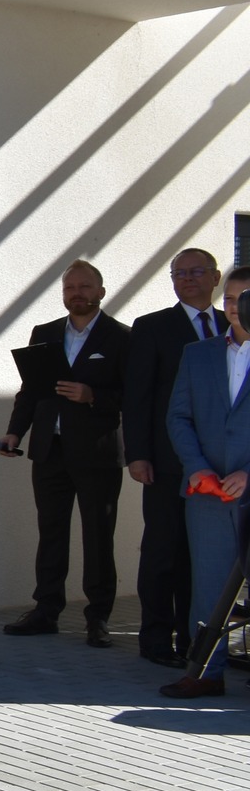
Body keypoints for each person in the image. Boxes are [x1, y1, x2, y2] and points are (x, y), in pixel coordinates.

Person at [0, 260, 129, 645]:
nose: (77, 293)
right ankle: (45, 610)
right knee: (51, 532)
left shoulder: (121, 337)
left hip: (97, 453)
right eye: (70, 287)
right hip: (49, 450)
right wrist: (15, 432)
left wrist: (93, 396)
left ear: (101, 292)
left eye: (85, 286)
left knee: (98, 536)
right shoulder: (46, 333)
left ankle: (98, 618)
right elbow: (31, 390)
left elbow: (133, 395)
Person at [123, 249, 225, 668]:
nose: (187, 279)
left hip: (218, 464)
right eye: (179, 273)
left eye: (196, 271)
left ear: (215, 277)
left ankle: (193, 639)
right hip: (165, 462)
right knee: (163, 551)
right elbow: (137, 395)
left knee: (201, 555)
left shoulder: (233, 325)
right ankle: (154, 638)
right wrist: (138, 454)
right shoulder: (152, 327)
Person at [159, 264, 250, 699]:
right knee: (209, 586)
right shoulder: (198, 354)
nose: (234, 307)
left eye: (244, 299)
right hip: (208, 493)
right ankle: (205, 672)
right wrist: (196, 467)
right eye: (229, 298)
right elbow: (178, 417)